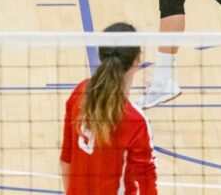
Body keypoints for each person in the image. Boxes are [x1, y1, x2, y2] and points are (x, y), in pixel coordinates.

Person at [60, 23, 156, 194]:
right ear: (137, 60)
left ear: (100, 55)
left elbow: (66, 160)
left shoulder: (80, 93)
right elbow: (147, 186)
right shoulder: (135, 121)